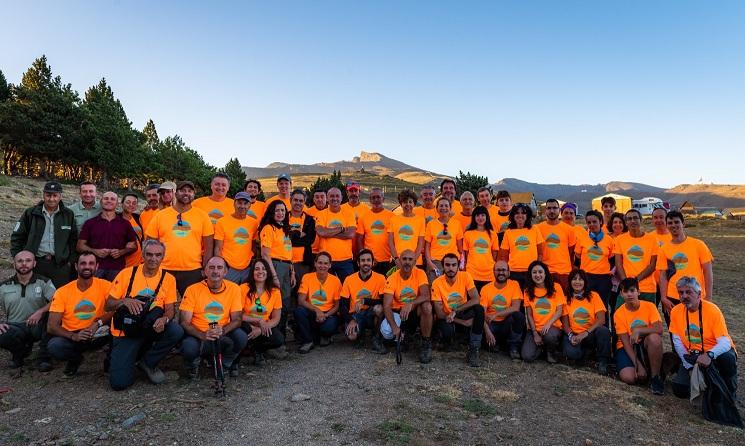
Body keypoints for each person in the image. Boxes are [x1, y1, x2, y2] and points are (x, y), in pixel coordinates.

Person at [105, 240, 183, 390]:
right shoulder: (126, 274)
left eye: (158, 255)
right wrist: (124, 301)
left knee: (176, 331)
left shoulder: (169, 279)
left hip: (151, 326)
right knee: (119, 383)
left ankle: (148, 362)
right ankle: (126, 359)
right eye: (149, 254)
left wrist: (164, 319)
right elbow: (108, 305)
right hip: (127, 331)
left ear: (163, 257)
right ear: (142, 255)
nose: (153, 258)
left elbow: (170, 309)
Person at [669, 276, 738, 399]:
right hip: (693, 355)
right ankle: (705, 380)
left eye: (688, 292)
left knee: (727, 358)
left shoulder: (712, 310)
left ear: (699, 294)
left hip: (714, 354)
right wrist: (688, 365)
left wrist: (709, 355)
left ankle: (730, 388)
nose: (684, 296)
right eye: (681, 293)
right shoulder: (675, 311)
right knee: (680, 389)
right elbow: (677, 341)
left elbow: (725, 343)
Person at [47, 253, 113, 377]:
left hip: (98, 331)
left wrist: (97, 324)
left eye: (91, 263)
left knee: (119, 328)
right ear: (76, 267)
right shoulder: (62, 292)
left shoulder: (106, 286)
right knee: (55, 346)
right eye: (83, 263)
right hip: (74, 334)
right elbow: (51, 326)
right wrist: (74, 336)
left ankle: (111, 362)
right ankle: (75, 359)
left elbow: (114, 310)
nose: (87, 267)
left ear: (97, 267)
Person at [180, 256, 247, 379]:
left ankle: (225, 364)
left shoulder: (234, 289)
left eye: (219, 267)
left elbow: (237, 319)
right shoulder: (192, 290)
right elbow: (184, 322)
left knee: (241, 337)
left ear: (225, 272)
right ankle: (194, 363)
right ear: (204, 271)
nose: (215, 271)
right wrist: (202, 335)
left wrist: (223, 330)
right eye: (211, 268)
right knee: (188, 347)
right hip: (199, 335)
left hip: (222, 334)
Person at [145, 181, 214, 296]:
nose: (186, 193)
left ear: (194, 194)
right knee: (159, 304)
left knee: (192, 306)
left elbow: (209, 245)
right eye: (182, 190)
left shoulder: (202, 216)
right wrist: (151, 265)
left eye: (190, 191)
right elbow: (149, 242)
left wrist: (206, 268)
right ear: (176, 193)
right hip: (163, 268)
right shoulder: (161, 215)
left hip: (192, 270)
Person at [11, 181, 77, 287]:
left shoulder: (68, 214)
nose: (51, 199)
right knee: (35, 297)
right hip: (36, 263)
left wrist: (70, 262)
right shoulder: (30, 213)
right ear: (43, 195)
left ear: (60, 196)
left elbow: (73, 240)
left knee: (59, 297)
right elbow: (17, 237)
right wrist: (18, 257)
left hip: (60, 265)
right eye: (48, 195)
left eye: (55, 195)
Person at [0, 251, 56, 372]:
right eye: (20, 261)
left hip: (37, 326)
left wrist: (41, 311)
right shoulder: (4, 286)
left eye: (28, 260)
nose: (24, 264)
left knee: (52, 317)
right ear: (14, 265)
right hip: (15, 327)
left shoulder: (44, 282)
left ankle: (44, 359)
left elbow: (57, 301)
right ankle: (19, 354)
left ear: (34, 263)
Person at [658, 211, 714, 322]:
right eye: (670, 223)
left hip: (695, 295)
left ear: (683, 223)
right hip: (673, 297)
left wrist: (708, 297)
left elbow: (707, 272)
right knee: (676, 332)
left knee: (695, 330)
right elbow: (663, 275)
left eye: (676, 222)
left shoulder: (699, 245)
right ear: (666, 225)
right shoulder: (664, 249)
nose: (673, 225)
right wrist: (663, 298)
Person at [431, 253, 485, 367]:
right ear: (443, 267)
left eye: (454, 265)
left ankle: (474, 349)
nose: (451, 268)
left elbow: (476, 299)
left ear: (458, 266)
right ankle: (449, 340)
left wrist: (455, 311)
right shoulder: (437, 283)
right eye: (447, 265)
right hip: (447, 317)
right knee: (446, 330)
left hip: (460, 312)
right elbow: (440, 313)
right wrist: (462, 322)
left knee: (479, 309)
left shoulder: (465, 276)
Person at [380, 249, 433, 363]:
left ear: (414, 262)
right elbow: (387, 305)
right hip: (398, 312)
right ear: (399, 261)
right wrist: (394, 327)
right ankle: (403, 336)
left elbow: (426, 295)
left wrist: (411, 303)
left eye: (410, 259)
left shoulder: (420, 273)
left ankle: (426, 342)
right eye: (404, 259)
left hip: (414, 311)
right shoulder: (392, 278)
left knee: (427, 307)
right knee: (387, 331)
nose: (407, 262)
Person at [614, 278, 665, 395]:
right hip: (628, 347)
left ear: (639, 292)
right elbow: (626, 344)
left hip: (645, 343)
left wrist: (639, 330)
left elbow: (659, 329)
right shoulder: (618, 313)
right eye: (626, 292)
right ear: (621, 294)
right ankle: (646, 367)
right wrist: (638, 365)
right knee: (628, 378)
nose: (629, 294)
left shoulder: (650, 306)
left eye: (632, 291)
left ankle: (655, 377)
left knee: (655, 338)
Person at [77, 191, 138, 281]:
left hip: (117, 268)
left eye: (112, 199)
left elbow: (134, 246)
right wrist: (95, 251)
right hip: (95, 267)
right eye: (106, 198)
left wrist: (121, 252)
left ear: (117, 204)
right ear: (101, 202)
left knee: (115, 294)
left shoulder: (125, 224)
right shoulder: (90, 223)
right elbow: (79, 246)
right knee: (93, 293)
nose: (109, 201)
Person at [561, 269, 611, 374]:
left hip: (590, 333)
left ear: (585, 282)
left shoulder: (594, 296)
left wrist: (585, 333)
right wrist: (571, 336)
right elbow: (565, 325)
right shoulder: (565, 299)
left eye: (580, 279)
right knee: (572, 354)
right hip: (575, 334)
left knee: (603, 331)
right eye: (574, 279)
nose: (577, 282)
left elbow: (601, 320)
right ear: (570, 282)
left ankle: (603, 361)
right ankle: (585, 353)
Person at [259, 200, 295, 335]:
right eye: (277, 210)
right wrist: (273, 276)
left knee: (285, 303)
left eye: (283, 211)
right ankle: (272, 337)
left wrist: (292, 272)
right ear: (272, 212)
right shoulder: (268, 228)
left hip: (286, 267)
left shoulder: (285, 229)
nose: (280, 213)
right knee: (274, 303)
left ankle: (281, 337)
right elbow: (265, 254)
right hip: (274, 266)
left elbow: (288, 253)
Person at [294, 252, 342, 353]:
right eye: (320, 263)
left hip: (328, 313)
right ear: (315, 264)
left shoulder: (336, 281)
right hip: (312, 311)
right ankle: (308, 341)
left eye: (325, 263)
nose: (322, 266)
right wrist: (317, 310)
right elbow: (301, 300)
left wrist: (325, 315)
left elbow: (337, 306)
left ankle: (324, 336)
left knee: (329, 327)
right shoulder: (307, 277)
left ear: (330, 265)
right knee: (299, 311)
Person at [340, 249, 387, 351]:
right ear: (358, 263)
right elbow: (342, 305)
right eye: (363, 260)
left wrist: (365, 301)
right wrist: (351, 320)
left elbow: (384, 300)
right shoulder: (349, 279)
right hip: (356, 314)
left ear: (372, 262)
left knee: (379, 309)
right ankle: (360, 336)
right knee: (352, 336)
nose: (366, 263)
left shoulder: (381, 278)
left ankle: (376, 337)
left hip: (371, 312)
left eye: (368, 260)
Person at [240, 259, 284, 366]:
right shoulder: (243, 288)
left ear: (268, 272)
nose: (260, 272)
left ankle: (257, 351)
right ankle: (248, 351)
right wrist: (256, 322)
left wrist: (260, 329)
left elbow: (276, 318)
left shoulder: (275, 291)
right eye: (257, 269)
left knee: (278, 339)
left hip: (264, 326)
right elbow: (237, 314)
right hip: (247, 324)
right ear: (252, 272)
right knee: (243, 330)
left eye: (264, 269)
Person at [613, 209, 658, 308]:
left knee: (647, 320)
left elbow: (653, 265)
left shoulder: (652, 239)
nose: (632, 221)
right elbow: (618, 264)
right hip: (626, 287)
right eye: (629, 219)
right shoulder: (620, 239)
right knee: (619, 316)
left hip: (647, 288)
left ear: (641, 220)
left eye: (635, 218)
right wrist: (627, 283)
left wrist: (636, 280)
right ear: (626, 222)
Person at [521, 260, 565, 364]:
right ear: (530, 275)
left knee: (550, 336)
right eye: (534, 272)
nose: (537, 275)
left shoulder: (556, 287)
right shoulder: (527, 290)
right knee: (527, 356)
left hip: (552, 327)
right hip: (535, 328)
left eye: (540, 272)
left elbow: (559, 311)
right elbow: (529, 315)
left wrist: (548, 324)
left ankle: (550, 351)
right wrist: (535, 333)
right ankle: (541, 349)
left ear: (545, 273)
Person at [480, 261, 524, 360]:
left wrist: (496, 314)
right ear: (493, 272)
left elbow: (516, 307)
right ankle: (495, 344)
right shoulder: (486, 289)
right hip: (491, 324)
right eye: (498, 270)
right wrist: (487, 331)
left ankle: (513, 347)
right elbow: (481, 313)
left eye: (504, 270)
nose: (501, 273)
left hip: (506, 323)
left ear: (508, 272)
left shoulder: (514, 285)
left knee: (518, 316)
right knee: (487, 341)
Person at [575, 210, 615, 317]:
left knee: (603, 307)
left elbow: (612, 260)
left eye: (594, 222)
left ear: (600, 222)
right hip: (586, 278)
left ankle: (604, 331)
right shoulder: (582, 239)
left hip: (603, 279)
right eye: (589, 222)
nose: (592, 225)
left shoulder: (609, 240)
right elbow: (578, 259)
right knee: (588, 306)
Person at [214, 191, 260, 285]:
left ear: (250, 205)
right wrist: (222, 268)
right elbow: (218, 248)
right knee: (226, 295)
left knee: (245, 296)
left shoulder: (254, 223)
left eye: (245, 203)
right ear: (234, 203)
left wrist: (252, 262)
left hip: (247, 269)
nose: (242, 206)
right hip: (229, 268)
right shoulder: (222, 222)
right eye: (239, 202)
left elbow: (254, 245)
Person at [315, 187, 357, 283]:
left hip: (345, 260)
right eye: (332, 196)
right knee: (326, 290)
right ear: (327, 198)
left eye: (337, 196)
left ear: (342, 198)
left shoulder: (349, 214)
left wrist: (328, 233)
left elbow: (350, 234)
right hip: (325, 260)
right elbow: (321, 232)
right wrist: (341, 229)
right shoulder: (321, 214)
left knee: (347, 289)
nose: (335, 198)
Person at [499, 204, 544, 289]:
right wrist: (506, 271)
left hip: (531, 271)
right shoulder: (508, 232)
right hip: (513, 272)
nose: (520, 215)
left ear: (527, 216)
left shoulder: (534, 229)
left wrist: (537, 268)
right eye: (517, 213)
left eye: (523, 213)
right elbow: (504, 256)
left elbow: (540, 253)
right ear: (513, 215)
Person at [537, 198, 576, 289]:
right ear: (545, 210)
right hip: (544, 272)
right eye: (549, 208)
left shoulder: (569, 230)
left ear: (559, 210)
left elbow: (571, 252)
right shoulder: (537, 228)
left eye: (554, 208)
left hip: (564, 272)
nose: (552, 211)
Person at [424, 197, 463, 283]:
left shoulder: (457, 224)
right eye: (441, 206)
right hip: (435, 262)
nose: (444, 208)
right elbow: (427, 246)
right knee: (434, 288)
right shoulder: (431, 224)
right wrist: (429, 263)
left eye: (446, 206)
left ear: (450, 208)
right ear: (437, 208)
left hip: (452, 262)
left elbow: (460, 247)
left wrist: (461, 262)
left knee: (452, 289)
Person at [356, 187, 394, 275]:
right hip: (370, 261)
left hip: (387, 259)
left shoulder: (392, 216)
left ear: (383, 199)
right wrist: (364, 256)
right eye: (373, 197)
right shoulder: (364, 217)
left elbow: (395, 238)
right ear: (370, 200)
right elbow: (359, 239)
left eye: (378, 197)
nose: (376, 200)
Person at [462, 206, 499, 291]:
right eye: (477, 215)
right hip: (472, 272)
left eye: (483, 215)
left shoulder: (493, 234)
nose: (480, 218)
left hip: (489, 273)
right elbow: (466, 254)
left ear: (487, 217)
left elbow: (494, 254)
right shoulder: (468, 234)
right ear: (474, 217)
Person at [288, 189, 316, 295]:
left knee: (301, 291)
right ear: (290, 200)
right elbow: (281, 239)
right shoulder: (284, 217)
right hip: (286, 261)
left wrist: (291, 235)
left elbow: (309, 240)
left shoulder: (309, 220)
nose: (298, 203)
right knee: (287, 292)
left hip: (303, 263)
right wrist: (299, 234)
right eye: (295, 200)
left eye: (301, 201)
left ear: (304, 202)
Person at [388, 190, 425, 270]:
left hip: (416, 262)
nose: (408, 204)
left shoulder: (421, 220)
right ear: (401, 204)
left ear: (414, 204)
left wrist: (414, 259)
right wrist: (396, 259)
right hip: (397, 261)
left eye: (410, 202)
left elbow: (420, 243)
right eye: (405, 202)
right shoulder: (394, 219)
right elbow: (390, 242)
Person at [121, 193, 144, 268]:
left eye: (134, 203)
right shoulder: (116, 220)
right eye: (128, 202)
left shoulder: (138, 218)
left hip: (139, 262)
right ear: (122, 203)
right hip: (124, 264)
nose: (131, 205)